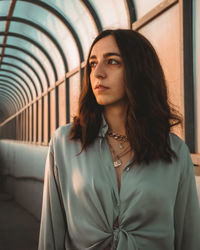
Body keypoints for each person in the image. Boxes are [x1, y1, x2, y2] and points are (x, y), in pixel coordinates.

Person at [38, 29, 200, 250]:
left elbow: (188, 237)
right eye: (93, 64)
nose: (98, 73)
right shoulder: (65, 143)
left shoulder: (174, 151)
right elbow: (51, 234)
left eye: (112, 62)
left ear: (139, 70)